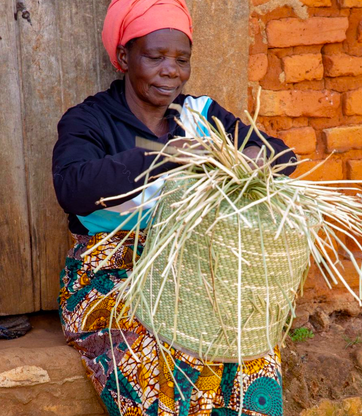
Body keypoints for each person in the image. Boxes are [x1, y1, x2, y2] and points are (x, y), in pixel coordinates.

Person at [53, 1, 296, 415]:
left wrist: (251, 159)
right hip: (112, 277)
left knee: (246, 345)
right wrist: (163, 156)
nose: (172, 71)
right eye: (156, 57)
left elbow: (282, 156)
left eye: (182, 60)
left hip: (195, 270)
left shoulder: (200, 115)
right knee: (170, 351)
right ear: (125, 57)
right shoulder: (88, 121)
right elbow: (72, 187)